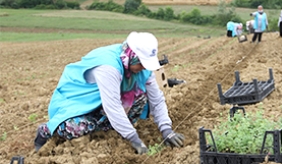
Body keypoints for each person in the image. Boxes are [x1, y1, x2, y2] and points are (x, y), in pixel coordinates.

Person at [34, 32, 186, 154]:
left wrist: (167, 130)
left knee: (140, 98)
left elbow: (157, 100)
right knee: (74, 129)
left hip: (104, 102)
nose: (144, 68)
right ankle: (46, 130)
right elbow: (112, 106)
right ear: (131, 56)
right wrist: (134, 139)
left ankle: (110, 128)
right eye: (141, 63)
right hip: (77, 102)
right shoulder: (109, 67)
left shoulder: (142, 69)